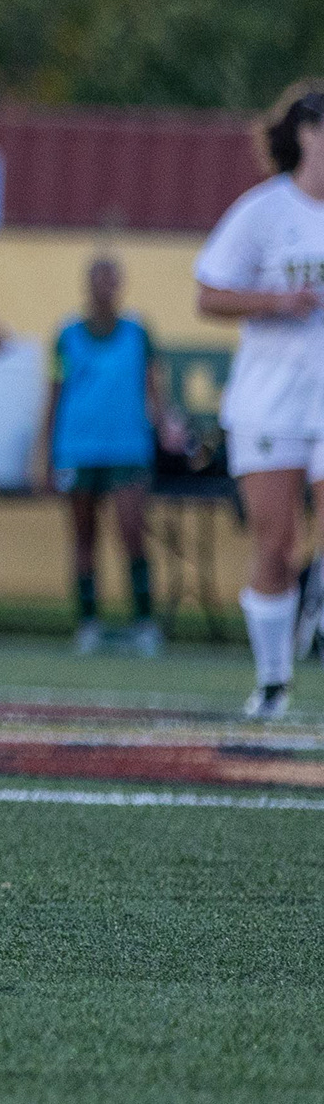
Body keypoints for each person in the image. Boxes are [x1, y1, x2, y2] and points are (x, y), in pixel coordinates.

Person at [194, 82, 324, 720]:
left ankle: (317, 609)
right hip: (272, 402)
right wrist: (277, 301)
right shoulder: (264, 211)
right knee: (277, 543)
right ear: (306, 134)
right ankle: (273, 682)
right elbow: (209, 294)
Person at [37, 253, 178, 658]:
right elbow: (54, 395)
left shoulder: (138, 333)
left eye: (111, 280)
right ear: (87, 285)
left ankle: (144, 622)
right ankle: (88, 622)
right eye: (98, 279)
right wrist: (45, 453)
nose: (105, 288)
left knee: (132, 531)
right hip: (76, 448)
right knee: (83, 535)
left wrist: (167, 426)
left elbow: (155, 391)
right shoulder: (67, 335)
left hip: (127, 448)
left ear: (120, 286)